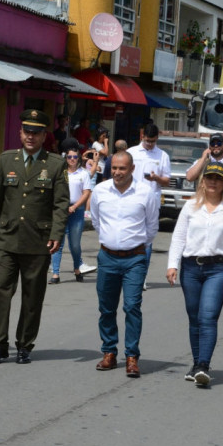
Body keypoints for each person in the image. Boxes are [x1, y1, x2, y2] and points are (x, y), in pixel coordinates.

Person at [0, 109, 69, 365]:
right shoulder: (7, 160)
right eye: (26, 131)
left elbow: (61, 204)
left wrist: (56, 234)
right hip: (7, 239)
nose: (30, 137)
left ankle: (24, 345)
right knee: (0, 292)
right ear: (20, 133)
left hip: (37, 240)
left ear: (44, 136)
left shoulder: (55, 164)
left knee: (32, 296)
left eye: (36, 132)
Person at [166, 162, 223, 387]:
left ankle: (203, 365)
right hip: (191, 268)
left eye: (218, 179)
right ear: (202, 180)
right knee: (194, 317)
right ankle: (196, 362)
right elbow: (179, 237)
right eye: (209, 177)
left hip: (218, 269)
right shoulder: (190, 207)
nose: (212, 182)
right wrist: (173, 265)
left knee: (208, 316)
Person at [90, 152, 158, 377]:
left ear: (132, 169)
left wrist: (132, 246)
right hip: (107, 258)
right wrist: (111, 242)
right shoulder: (100, 191)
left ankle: (131, 356)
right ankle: (109, 352)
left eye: (122, 169)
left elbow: (151, 228)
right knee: (106, 307)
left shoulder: (145, 192)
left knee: (131, 306)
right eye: (114, 168)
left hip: (134, 259)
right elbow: (97, 221)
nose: (117, 173)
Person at [128, 123, 171, 287]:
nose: (150, 144)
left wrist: (156, 179)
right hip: (132, 200)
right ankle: (130, 271)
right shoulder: (132, 152)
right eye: (147, 141)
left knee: (146, 239)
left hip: (152, 201)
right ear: (142, 137)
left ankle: (141, 276)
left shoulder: (162, 156)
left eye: (153, 141)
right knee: (131, 236)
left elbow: (167, 180)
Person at [49, 146, 92, 285]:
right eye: (69, 157)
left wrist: (74, 206)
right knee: (57, 243)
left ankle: (77, 268)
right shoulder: (61, 173)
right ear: (65, 158)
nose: (72, 159)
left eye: (74, 157)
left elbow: (86, 193)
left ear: (78, 158)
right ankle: (55, 274)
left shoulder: (83, 173)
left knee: (74, 244)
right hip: (61, 210)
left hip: (76, 210)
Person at [186, 133, 223, 201]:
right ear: (209, 147)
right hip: (203, 204)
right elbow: (189, 177)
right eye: (213, 144)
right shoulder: (201, 161)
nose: (216, 146)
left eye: (219, 143)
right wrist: (204, 157)